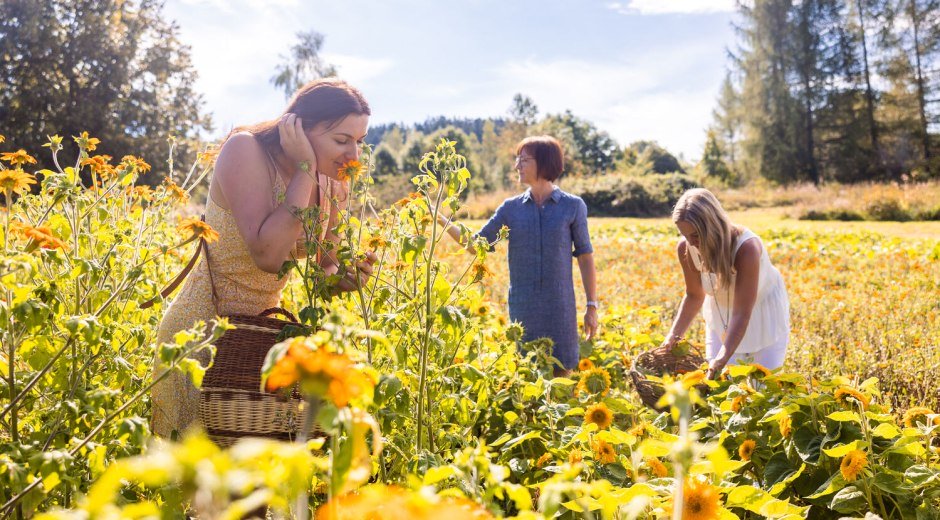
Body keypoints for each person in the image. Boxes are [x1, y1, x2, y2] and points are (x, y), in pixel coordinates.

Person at [151, 78, 376, 438]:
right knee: (193, 477)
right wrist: (304, 170)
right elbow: (268, 255)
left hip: (259, 342)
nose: (354, 156)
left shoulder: (335, 183)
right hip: (201, 334)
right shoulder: (245, 150)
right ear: (297, 128)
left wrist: (346, 278)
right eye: (341, 140)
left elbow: (324, 268)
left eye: (360, 142)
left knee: (256, 481)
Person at [439, 135, 598, 375]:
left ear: (543, 163)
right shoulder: (510, 209)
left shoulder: (573, 206)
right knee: (524, 377)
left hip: (560, 308)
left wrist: (591, 305)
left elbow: (585, 256)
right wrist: (440, 219)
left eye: (524, 160)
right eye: (518, 160)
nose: (517, 166)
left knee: (562, 375)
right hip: (523, 309)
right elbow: (476, 245)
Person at [661, 188, 790, 379]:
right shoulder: (686, 247)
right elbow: (694, 295)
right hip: (721, 314)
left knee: (764, 389)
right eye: (684, 234)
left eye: (695, 235)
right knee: (720, 386)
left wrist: (722, 357)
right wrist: (673, 336)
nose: (691, 242)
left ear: (712, 226)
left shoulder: (747, 248)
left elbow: (742, 313)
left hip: (761, 313)